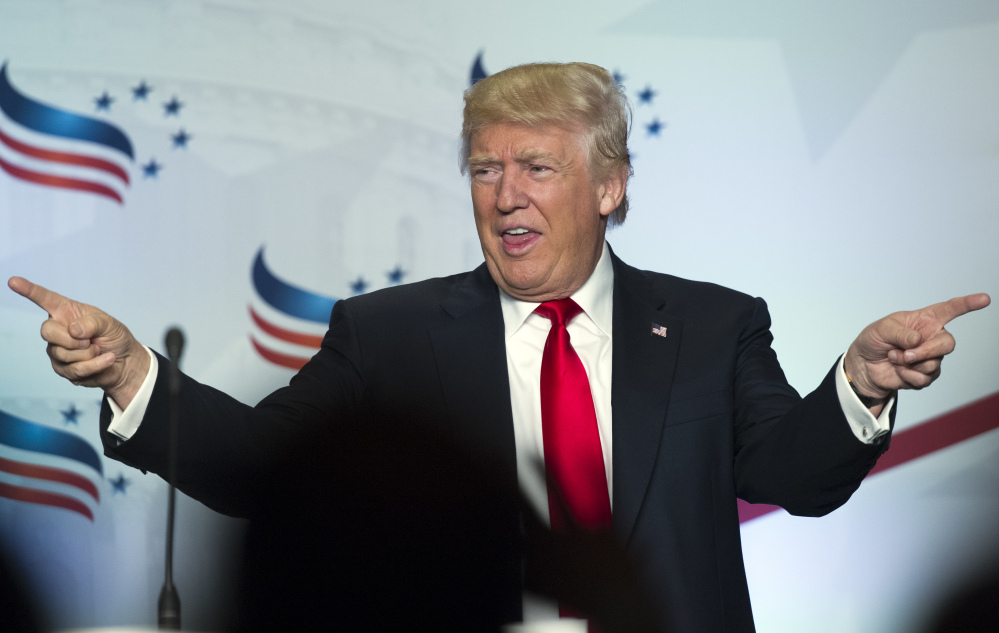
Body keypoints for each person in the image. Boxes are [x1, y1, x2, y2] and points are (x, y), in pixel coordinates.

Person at [7, 62, 990, 632]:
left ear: (610, 186)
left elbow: (795, 473)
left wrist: (858, 383)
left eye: (536, 167)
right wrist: (135, 374)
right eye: (484, 168)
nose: (505, 194)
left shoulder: (711, 325)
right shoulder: (388, 335)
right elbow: (270, 467)